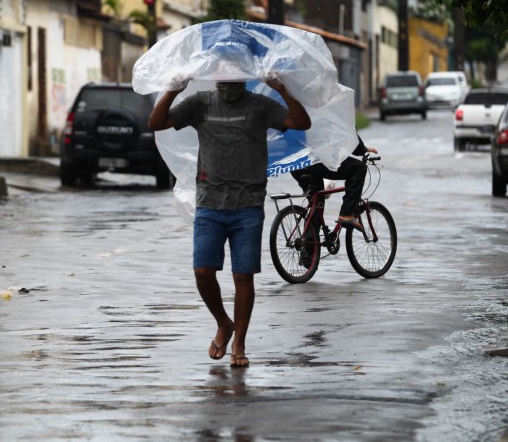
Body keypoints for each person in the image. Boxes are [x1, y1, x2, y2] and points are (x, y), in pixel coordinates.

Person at [148, 78, 311, 368]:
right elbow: (156, 122)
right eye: (224, 77)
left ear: (243, 77)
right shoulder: (200, 103)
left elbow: (301, 123)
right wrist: (174, 89)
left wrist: (284, 89)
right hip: (209, 202)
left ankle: (239, 343)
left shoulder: (260, 105)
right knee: (202, 271)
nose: (229, 83)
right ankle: (224, 323)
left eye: (235, 77)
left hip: (247, 204)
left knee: (243, 276)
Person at [290, 134, 378, 232]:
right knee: (359, 168)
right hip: (316, 161)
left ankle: (310, 244)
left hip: (295, 163)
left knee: (315, 205)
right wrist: (362, 149)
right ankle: (347, 213)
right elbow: (347, 132)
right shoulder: (333, 117)